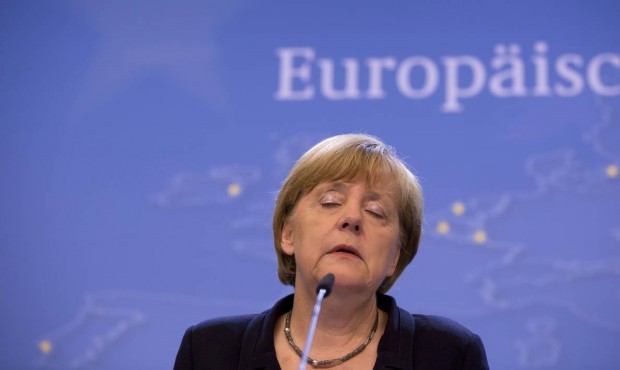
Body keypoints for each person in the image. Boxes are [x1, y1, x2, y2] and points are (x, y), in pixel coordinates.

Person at [173, 134, 489, 370]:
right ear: (288, 234)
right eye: (330, 202)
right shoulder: (208, 352)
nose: (351, 218)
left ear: (394, 256)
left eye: (376, 211)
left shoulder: (448, 355)